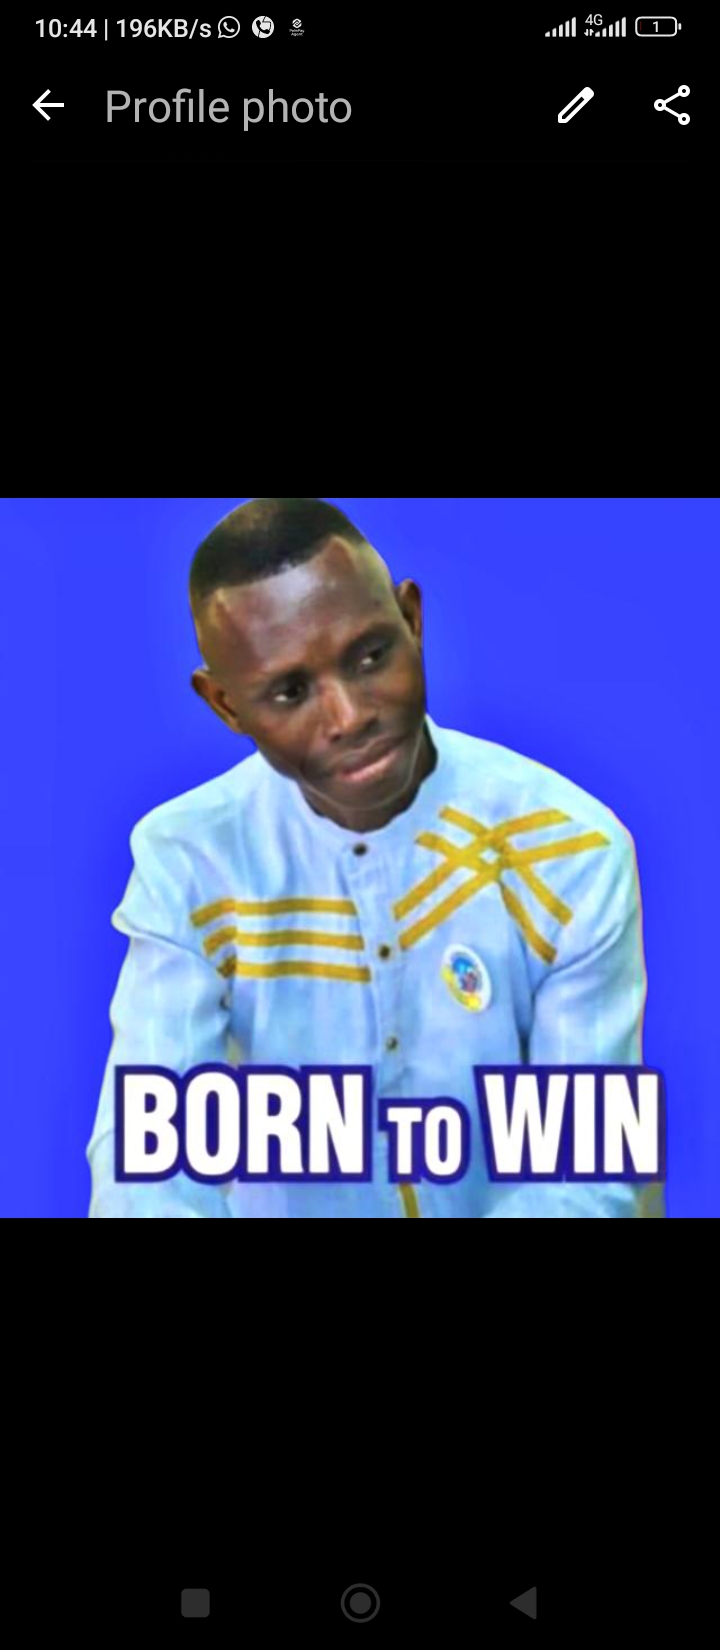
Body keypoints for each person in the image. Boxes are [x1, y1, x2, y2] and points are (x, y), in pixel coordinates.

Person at [86, 497, 665, 1217]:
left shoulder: (567, 849)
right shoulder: (190, 862)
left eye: (369, 656)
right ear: (226, 706)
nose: (349, 715)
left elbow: (587, 1173)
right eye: (290, 692)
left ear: (412, 620)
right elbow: (145, 1166)